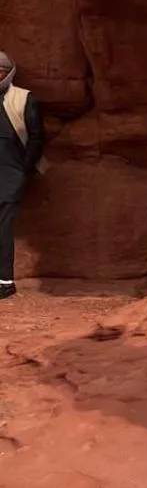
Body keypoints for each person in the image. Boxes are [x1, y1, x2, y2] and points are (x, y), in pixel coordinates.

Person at [0, 52, 45, 302]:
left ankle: (5, 282)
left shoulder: (23, 98)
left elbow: (37, 136)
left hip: (10, 172)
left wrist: (24, 169)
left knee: (3, 229)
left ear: (8, 72)